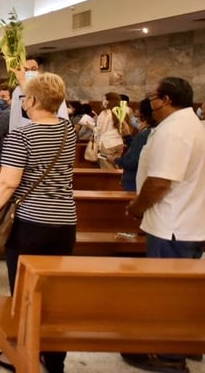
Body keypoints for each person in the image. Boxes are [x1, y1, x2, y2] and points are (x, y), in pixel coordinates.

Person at [0, 73, 76, 373]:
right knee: (54, 293)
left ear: (31, 100)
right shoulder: (68, 130)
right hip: (65, 222)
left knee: (24, 291)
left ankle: (22, 352)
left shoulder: (22, 135)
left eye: (25, 97)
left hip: (31, 222)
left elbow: (6, 183)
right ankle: (54, 359)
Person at [121, 77, 205, 373]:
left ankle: (170, 356)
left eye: (153, 97)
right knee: (179, 293)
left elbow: (159, 182)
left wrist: (136, 208)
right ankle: (180, 345)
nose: (150, 103)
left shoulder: (176, 131)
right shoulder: (191, 125)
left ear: (167, 99)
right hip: (186, 221)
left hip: (173, 224)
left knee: (167, 294)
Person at [9, 58, 68, 131]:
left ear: (39, 71)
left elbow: (62, 113)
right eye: (26, 70)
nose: (30, 72)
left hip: (50, 130)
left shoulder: (51, 89)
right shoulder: (17, 90)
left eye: (34, 69)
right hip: (24, 129)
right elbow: (15, 115)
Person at [115, 99, 155, 192]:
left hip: (134, 180)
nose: (137, 119)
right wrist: (128, 136)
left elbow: (132, 162)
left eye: (139, 116)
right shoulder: (154, 131)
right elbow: (137, 148)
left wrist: (116, 160)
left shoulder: (144, 134)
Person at [93, 92, 127, 169]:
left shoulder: (105, 113)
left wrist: (92, 125)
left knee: (107, 171)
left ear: (108, 101)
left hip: (107, 144)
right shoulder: (121, 112)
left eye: (104, 99)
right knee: (116, 168)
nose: (102, 101)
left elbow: (100, 130)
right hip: (119, 143)